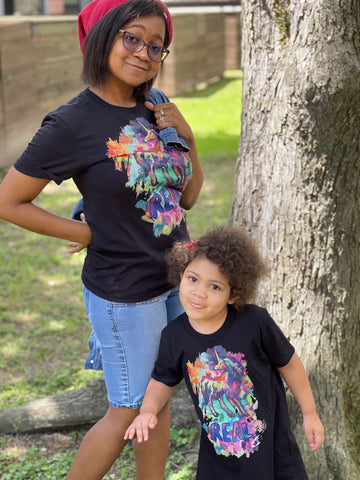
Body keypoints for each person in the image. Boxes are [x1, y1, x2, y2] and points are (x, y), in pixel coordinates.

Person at [0, 0, 203, 478]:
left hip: (176, 276)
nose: (145, 53)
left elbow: (188, 196)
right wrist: (88, 231)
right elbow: (9, 201)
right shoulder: (71, 123)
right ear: (102, 37)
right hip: (124, 290)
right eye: (132, 37)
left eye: (157, 45)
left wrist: (187, 135)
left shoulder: (156, 105)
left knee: (157, 398)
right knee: (129, 409)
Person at [124, 225, 325, 479]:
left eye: (215, 287)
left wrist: (309, 413)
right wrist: (148, 411)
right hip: (218, 455)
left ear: (233, 295)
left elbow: (290, 364)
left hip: (270, 450)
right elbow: (163, 379)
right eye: (192, 279)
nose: (199, 292)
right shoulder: (174, 335)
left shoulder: (254, 322)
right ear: (181, 274)